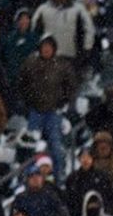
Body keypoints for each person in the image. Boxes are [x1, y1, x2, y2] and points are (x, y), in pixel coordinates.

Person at [17, 35, 76, 181]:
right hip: (35, 111)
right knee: (31, 148)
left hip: (54, 112)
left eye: (49, 47)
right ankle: (29, 178)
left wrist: (67, 105)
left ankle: (58, 177)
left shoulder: (61, 65)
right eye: (44, 46)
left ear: (54, 49)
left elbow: (71, 87)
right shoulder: (31, 63)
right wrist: (25, 102)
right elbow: (21, 83)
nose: (46, 50)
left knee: (56, 147)